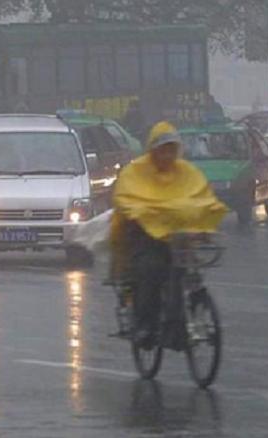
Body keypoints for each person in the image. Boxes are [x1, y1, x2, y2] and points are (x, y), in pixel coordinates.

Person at [111, 121, 228, 349]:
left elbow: (201, 197)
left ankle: (177, 326)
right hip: (145, 238)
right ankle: (145, 325)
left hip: (178, 239)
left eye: (171, 149)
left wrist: (202, 223)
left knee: (181, 272)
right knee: (151, 271)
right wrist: (145, 215)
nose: (167, 155)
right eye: (162, 150)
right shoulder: (136, 172)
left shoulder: (187, 172)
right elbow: (127, 199)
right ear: (153, 150)